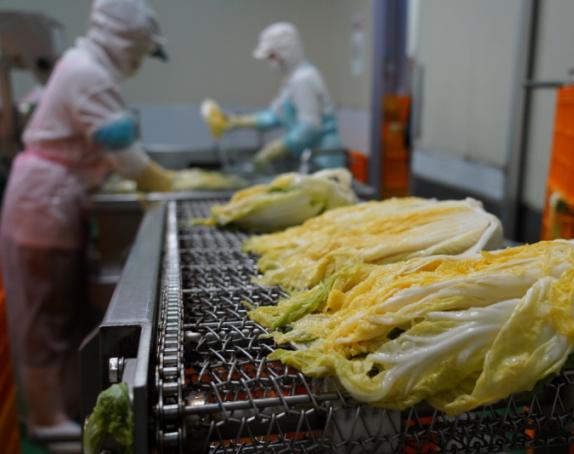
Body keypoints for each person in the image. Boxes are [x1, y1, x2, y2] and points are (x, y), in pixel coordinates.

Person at [0, 0, 174, 446]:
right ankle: (46, 420)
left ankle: (64, 406)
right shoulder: (87, 73)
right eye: (141, 50)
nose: (139, 61)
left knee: (63, 313)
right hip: (43, 208)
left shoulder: (85, 66)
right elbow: (128, 157)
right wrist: (167, 185)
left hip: (55, 204)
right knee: (43, 318)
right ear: (126, 41)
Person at [202, 22, 347, 172]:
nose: (271, 62)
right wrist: (237, 122)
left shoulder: (304, 79)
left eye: (272, 56)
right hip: (311, 156)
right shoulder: (292, 80)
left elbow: (310, 127)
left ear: (286, 53)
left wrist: (274, 150)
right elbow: (276, 115)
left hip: (323, 159)